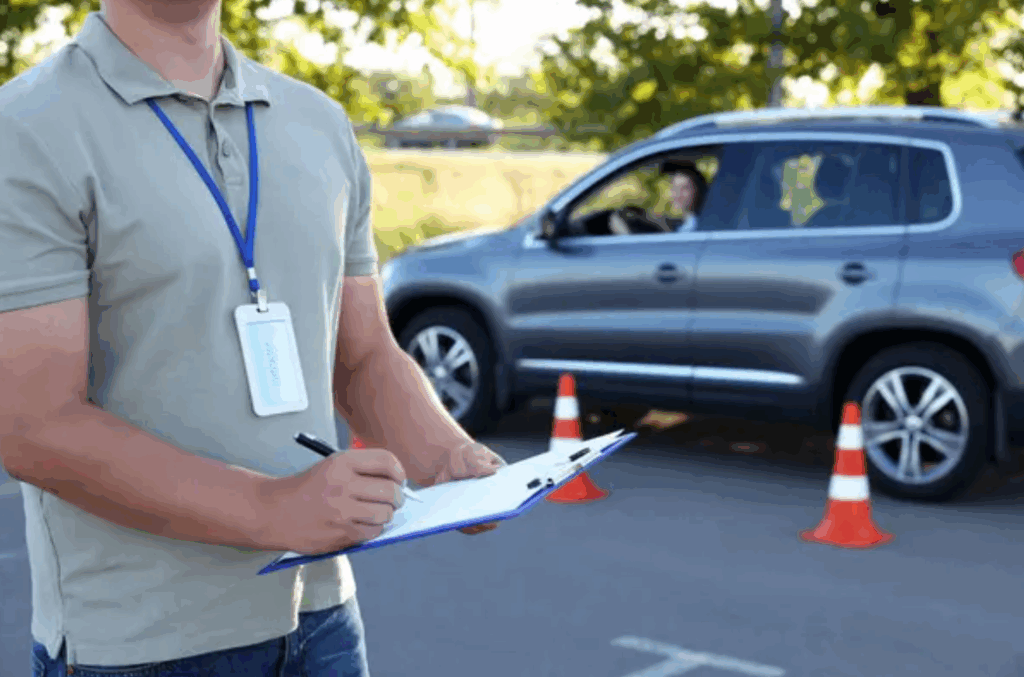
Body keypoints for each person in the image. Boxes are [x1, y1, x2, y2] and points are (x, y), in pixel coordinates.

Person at [0, 1, 506, 676]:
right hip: (138, 644)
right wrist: (271, 508)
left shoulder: (318, 122)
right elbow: (34, 426)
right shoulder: (26, 129)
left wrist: (446, 461)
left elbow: (361, 356)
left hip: (322, 619)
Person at [608, 161, 707, 235]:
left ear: (699, 190)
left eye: (684, 188)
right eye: (674, 188)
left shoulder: (700, 225)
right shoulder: (689, 221)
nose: (677, 194)